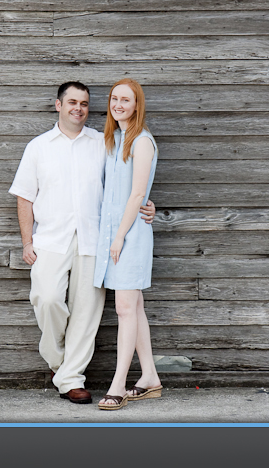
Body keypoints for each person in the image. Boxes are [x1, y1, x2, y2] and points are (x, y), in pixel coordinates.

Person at [9, 82, 156, 404]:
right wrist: (26, 241)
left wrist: (148, 203)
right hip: (50, 238)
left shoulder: (103, 142)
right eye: (72, 102)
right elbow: (24, 196)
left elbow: (125, 183)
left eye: (85, 103)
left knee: (87, 313)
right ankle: (59, 364)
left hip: (95, 240)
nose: (79, 108)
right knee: (46, 299)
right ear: (58, 105)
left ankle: (70, 379)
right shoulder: (39, 146)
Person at [93, 79, 162, 410]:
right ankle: (149, 376)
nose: (118, 103)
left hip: (130, 236)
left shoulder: (142, 141)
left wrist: (119, 235)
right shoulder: (114, 139)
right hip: (116, 235)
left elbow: (137, 194)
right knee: (134, 308)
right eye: (114, 98)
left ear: (137, 105)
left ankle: (118, 384)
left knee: (124, 308)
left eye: (126, 99)